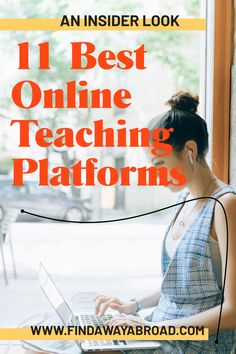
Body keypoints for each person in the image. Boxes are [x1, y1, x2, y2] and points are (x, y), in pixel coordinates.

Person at [94, 91, 236, 353]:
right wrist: (132, 306)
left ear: (190, 151)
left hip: (193, 346)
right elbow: (179, 287)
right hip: (161, 334)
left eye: (160, 163)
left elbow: (231, 313)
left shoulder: (226, 205)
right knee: (82, 341)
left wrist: (151, 329)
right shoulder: (184, 199)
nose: (156, 175)